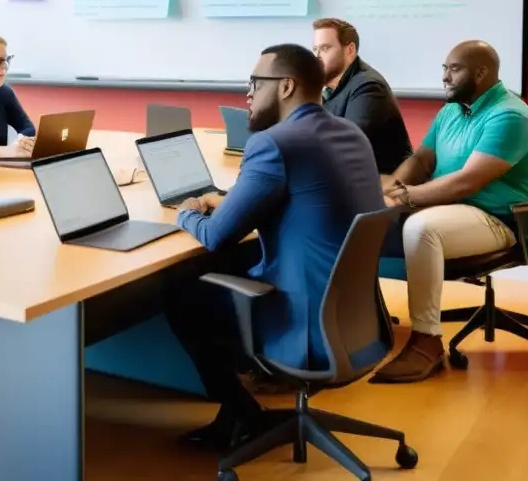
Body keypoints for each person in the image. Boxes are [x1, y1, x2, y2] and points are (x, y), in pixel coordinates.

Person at [164, 43, 384, 451]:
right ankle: (240, 406)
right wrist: (230, 198)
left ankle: (240, 410)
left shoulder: (273, 143)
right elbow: (303, 192)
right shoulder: (349, 133)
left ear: (285, 86)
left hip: (305, 322)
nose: (247, 94)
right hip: (354, 316)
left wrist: (187, 211)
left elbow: (215, 236)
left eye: (255, 83)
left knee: (181, 293)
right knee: (233, 263)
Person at [371, 40, 528, 384]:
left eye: (455, 69)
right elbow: (422, 160)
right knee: (356, 207)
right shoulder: (452, 110)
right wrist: (390, 190)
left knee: (421, 229)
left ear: (482, 72)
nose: (445, 77)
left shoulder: (510, 116)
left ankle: (426, 342)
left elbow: (467, 183)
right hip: (449, 207)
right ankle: (359, 324)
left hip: (494, 218)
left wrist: (404, 198)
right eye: (444, 69)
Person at [312, 17, 412, 174]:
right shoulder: (327, 88)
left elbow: (346, 147)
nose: (316, 57)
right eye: (315, 49)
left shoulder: (368, 86)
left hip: (383, 185)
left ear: (349, 51)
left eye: (324, 49)